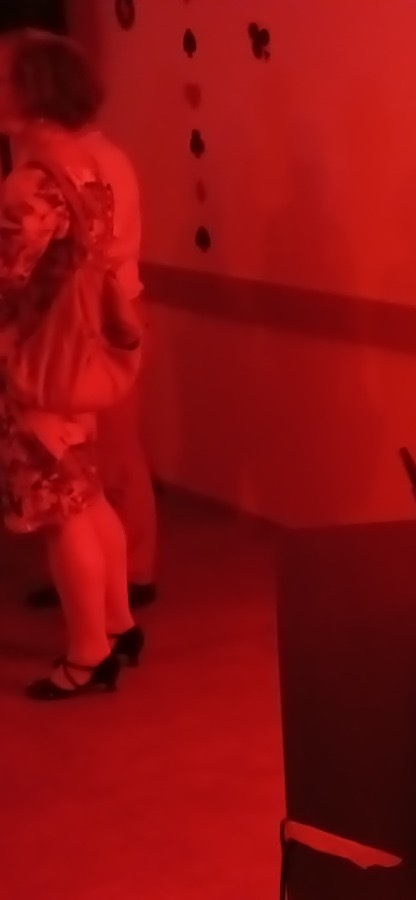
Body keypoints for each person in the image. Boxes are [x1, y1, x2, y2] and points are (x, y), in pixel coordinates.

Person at [0, 29, 143, 699]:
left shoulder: (30, 186)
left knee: (62, 511)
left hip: (38, 367)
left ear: (33, 91)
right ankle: (117, 625)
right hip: (78, 357)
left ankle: (87, 654)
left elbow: (9, 282)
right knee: (88, 495)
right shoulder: (86, 167)